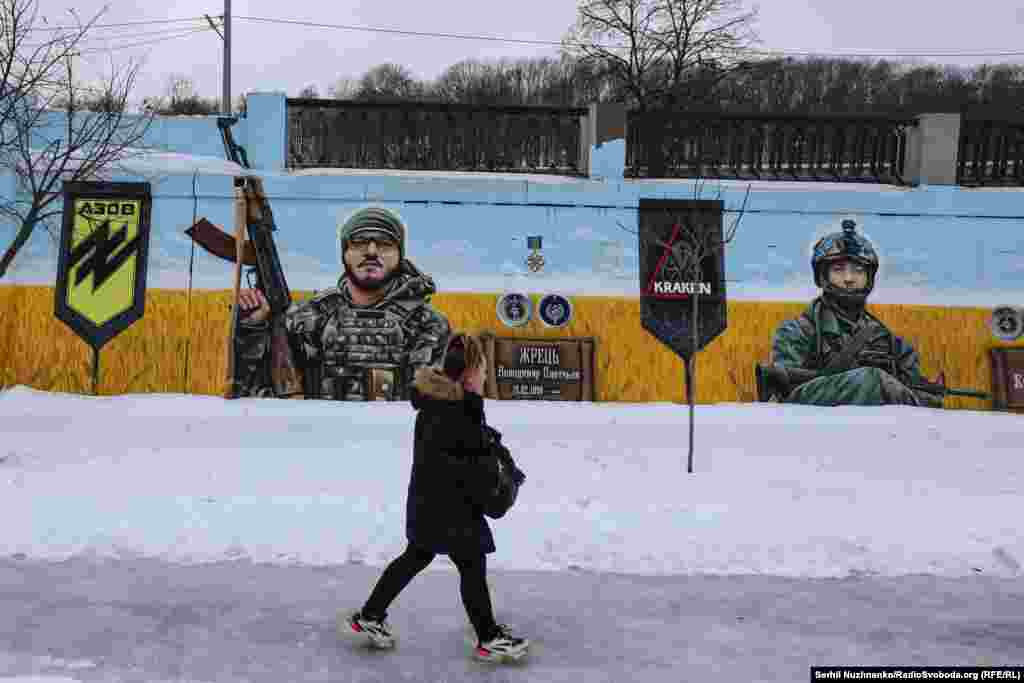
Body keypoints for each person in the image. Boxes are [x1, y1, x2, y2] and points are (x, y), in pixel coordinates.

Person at [343, 333, 530, 662]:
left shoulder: (439, 404)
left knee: (418, 556)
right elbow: (469, 464)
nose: (485, 378)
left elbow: (455, 454)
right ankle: (488, 637)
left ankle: (370, 616)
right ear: (470, 374)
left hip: (430, 502)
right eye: (482, 371)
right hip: (452, 507)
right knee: (471, 565)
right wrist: (499, 480)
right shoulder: (459, 411)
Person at [236, 206, 450, 400]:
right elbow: (254, 395)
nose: (371, 251)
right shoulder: (308, 319)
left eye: (384, 244)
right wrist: (254, 328)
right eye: (359, 242)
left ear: (399, 255)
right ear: (344, 253)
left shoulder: (429, 325)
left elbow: (439, 410)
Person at [769, 220, 942, 408]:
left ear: (869, 278)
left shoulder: (892, 344)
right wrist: (869, 383)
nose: (849, 279)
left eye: (858, 270)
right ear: (822, 276)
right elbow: (788, 398)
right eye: (838, 270)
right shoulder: (797, 333)